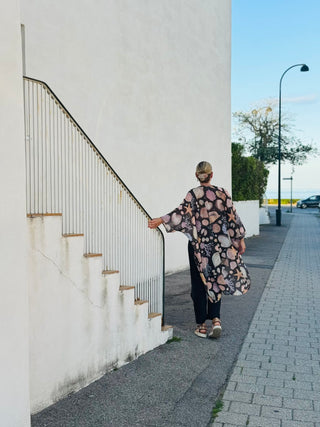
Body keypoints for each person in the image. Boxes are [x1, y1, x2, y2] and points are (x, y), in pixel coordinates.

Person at [148, 161, 250, 339]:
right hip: (221, 245)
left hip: (199, 246)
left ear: (197, 176)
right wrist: (239, 241)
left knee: (199, 282)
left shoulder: (193, 194)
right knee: (218, 278)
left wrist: (161, 220)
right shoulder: (223, 193)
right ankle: (216, 320)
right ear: (211, 175)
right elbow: (233, 218)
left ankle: (201, 325)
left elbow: (180, 213)